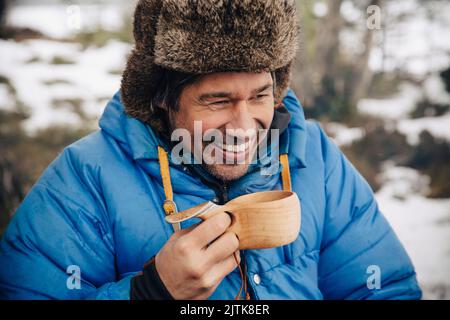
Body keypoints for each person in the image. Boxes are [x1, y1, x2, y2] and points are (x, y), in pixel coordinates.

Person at [0, 0, 421, 300]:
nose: (242, 128)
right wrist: (150, 293)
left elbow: (385, 289)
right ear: (162, 99)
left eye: (259, 96)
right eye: (217, 101)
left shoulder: (318, 162)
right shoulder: (84, 179)